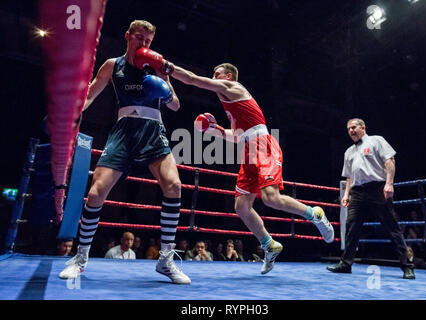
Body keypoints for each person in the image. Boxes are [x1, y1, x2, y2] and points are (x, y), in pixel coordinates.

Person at [58, 20, 190, 284]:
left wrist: (163, 91)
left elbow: (175, 105)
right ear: (128, 36)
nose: (143, 44)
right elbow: (92, 93)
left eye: (148, 40)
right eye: (139, 37)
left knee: (174, 185)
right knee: (96, 191)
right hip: (124, 129)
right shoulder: (113, 65)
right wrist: (70, 114)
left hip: (153, 129)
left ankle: (165, 261)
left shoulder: (157, 65)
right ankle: (80, 258)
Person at [170, 62, 334, 275]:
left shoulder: (234, 89)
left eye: (217, 74)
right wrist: (216, 130)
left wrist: (167, 67)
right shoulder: (232, 107)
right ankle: (269, 244)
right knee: (241, 206)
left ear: (229, 77)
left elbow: (192, 78)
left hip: (263, 145)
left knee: (271, 198)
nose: (213, 76)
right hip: (248, 150)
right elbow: (237, 136)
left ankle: (315, 214)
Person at [327, 118, 415, 279]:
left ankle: (407, 266)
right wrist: (346, 194)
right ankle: (346, 264)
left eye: (353, 127)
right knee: (351, 228)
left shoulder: (376, 140)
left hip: (378, 189)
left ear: (363, 127)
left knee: (392, 228)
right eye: (348, 129)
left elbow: (390, 160)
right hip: (357, 193)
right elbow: (348, 176)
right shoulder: (349, 152)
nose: (351, 131)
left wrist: (389, 183)